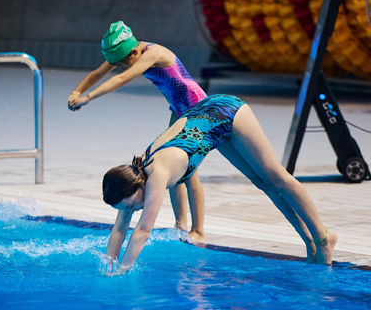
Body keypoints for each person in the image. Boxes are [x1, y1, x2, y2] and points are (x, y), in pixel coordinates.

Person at [101, 94, 338, 275]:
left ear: (138, 187)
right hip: (211, 122)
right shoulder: (134, 177)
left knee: (276, 177)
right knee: (263, 184)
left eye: (132, 206)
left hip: (227, 111)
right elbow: (120, 228)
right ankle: (309, 240)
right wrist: (107, 267)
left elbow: (142, 231)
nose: (134, 210)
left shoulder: (157, 175)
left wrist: (123, 272)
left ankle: (322, 237)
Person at [68, 21, 208, 243]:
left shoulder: (153, 53)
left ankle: (198, 230)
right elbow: (97, 73)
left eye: (124, 63)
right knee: (178, 173)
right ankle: (181, 226)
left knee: (190, 173)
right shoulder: (130, 51)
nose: (123, 67)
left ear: (133, 52)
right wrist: (77, 91)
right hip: (179, 108)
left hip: (198, 107)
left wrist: (87, 98)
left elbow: (122, 78)